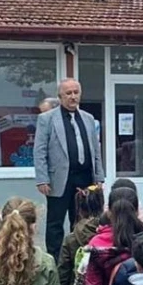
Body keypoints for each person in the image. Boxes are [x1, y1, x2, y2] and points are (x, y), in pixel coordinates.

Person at [34, 78, 106, 264]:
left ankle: (80, 259)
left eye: (76, 92)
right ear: (60, 96)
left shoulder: (89, 119)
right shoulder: (47, 119)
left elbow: (95, 149)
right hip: (59, 180)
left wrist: (99, 177)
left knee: (83, 221)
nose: (73, 96)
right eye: (68, 93)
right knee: (55, 223)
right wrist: (42, 179)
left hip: (85, 179)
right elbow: (40, 150)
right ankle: (54, 261)